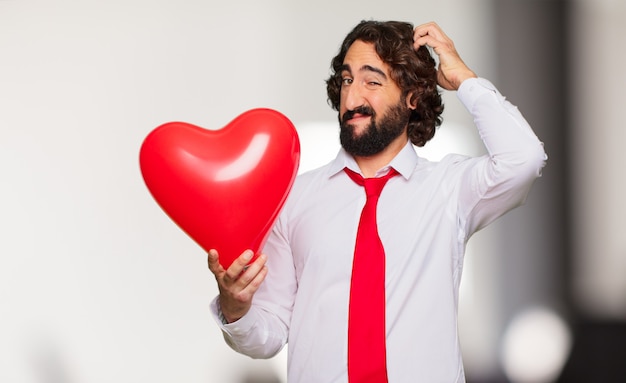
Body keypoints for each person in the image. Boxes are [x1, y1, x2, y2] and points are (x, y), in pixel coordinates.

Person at [207, 20, 547, 382]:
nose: (352, 99)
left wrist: (464, 79)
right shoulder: (294, 200)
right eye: (347, 80)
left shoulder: (450, 189)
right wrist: (236, 308)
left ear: (412, 97)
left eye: (372, 81)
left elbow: (523, 159)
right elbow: (268, 336)